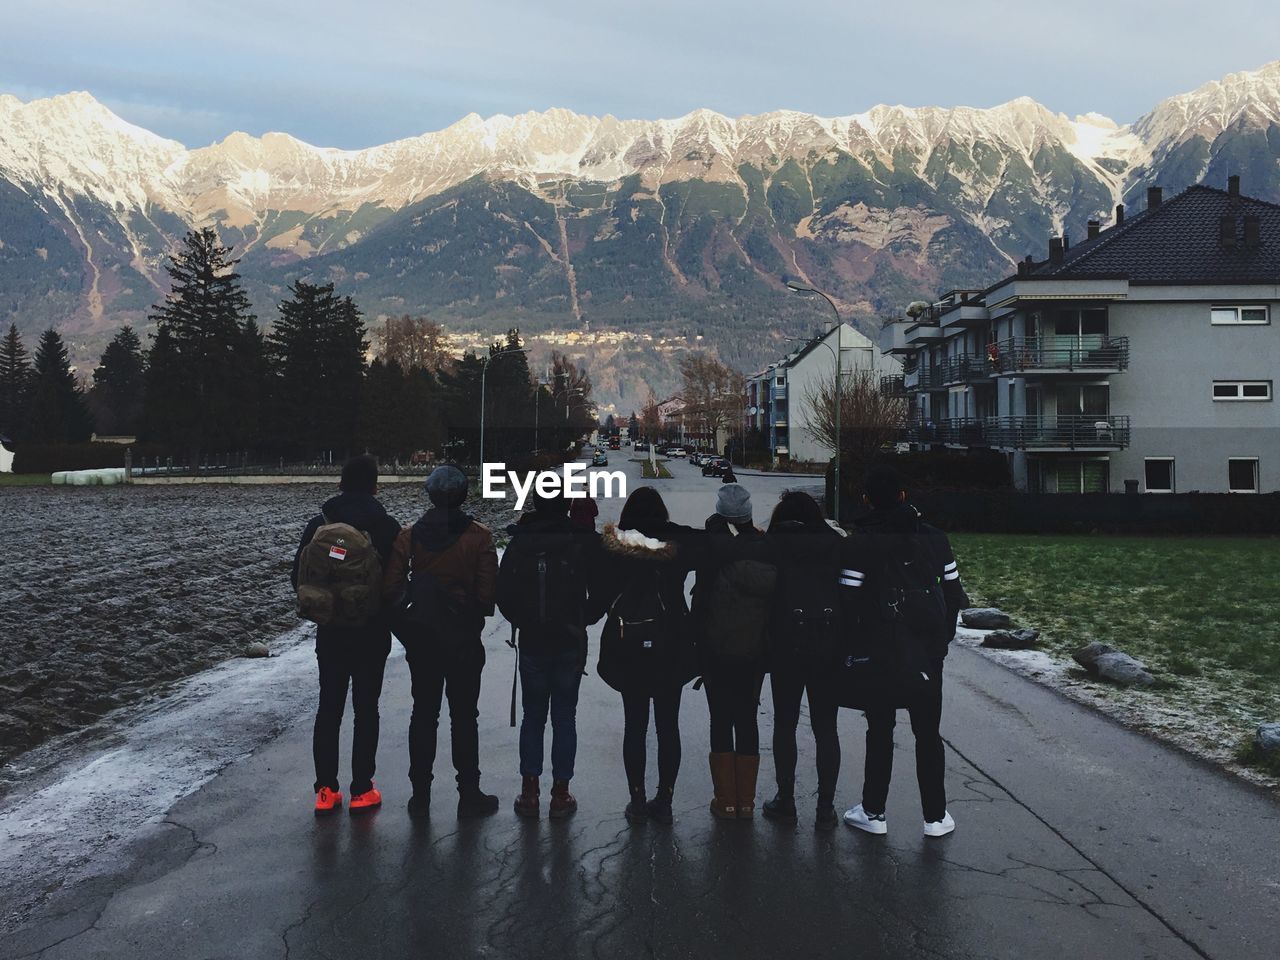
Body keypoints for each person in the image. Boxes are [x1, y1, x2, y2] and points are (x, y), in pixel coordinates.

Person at [839, 465, 969, 838]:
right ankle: (935, 817)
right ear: (903, 497)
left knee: (879, 729)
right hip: (927, 653)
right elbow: (952, 592)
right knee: (928, 733)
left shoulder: (860, 542)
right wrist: (939, 643)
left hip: (879, 650)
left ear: (866, 500)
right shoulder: (935, 539)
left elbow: (848, 600)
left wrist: (852, 647)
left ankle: (873, 811)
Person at [383, 464, 501, 819]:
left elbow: (390, 590)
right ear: (464, 495)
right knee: (465, 716)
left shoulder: (409, 536)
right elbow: (486, 597)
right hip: (463, 639)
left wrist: (410, 624)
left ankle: (420, 795)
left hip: (423, 641)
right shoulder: (480, 536)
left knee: (424, 714)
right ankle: (469, 792)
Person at [291, 455, 402, 816]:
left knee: (329, 708)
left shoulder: (318, 524)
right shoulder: (386, 526)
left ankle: (325, 790)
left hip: (331, 633)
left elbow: (299, 577)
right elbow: (396, 584)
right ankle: (362, 789)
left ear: (339, 483)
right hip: (371, 632)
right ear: (374, 486)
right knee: (366, 709)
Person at [589, 487, 698, 824]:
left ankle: (636, 799)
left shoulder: (614, 547)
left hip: (628, 642)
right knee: (668, 726)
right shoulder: (677, 545)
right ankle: (664, 799)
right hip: (671, 642)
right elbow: (709, 546)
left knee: (634, 725)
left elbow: (599, 597)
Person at [498, 490, 599, 819]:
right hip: (569, 642)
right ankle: (560, 793)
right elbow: (600, 588)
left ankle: (529, 792)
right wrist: (582, 618)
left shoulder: (521, 540)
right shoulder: (577, 540)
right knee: (564, 718)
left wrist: (523, 620)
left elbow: (502, 591)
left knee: (533, 716)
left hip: (533, 642)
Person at [762, 490, 846, 829]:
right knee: (826, 727)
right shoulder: (835, 544)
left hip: (786, 643)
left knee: (785, 723)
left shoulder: (772, 545)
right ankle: (825, 807)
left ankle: (786, 799)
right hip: (827, 641)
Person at [691, 483, 774, 820]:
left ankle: (725, 799)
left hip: (716, 650)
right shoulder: (764, 549)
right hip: (753, 651)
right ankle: (747, 802)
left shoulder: (712, 549)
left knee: (721, 719)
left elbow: (700, 604)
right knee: (747, 719)